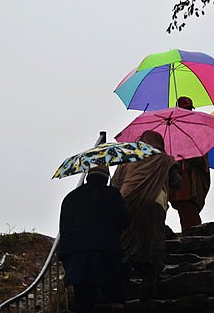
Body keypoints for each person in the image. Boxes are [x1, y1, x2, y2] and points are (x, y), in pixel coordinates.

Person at [111, 131, 180, 301]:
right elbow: (177, 183)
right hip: (154, 203)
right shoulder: (165, 159)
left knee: (128, 239)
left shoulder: (129, 156)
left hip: (127, 201)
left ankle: (123, 279)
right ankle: (149, 281)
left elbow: (115, 184)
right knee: (152, 240)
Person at [57, 165, 129, 313]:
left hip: (75, 255)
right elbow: (124, 222)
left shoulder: (70, 197)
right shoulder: (112, 194)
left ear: (88, 176)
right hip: (105, 253)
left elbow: (64, 227)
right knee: (115, 295)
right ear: (106, 178)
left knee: (83, 301)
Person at [168, 96, 212, 231]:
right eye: (184, 110)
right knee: (186, 214)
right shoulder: (172, 133)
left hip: (191, 181)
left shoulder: (197, 132)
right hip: (181, 181)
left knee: (190, 214)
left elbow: (202, 159)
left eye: (189, 110)